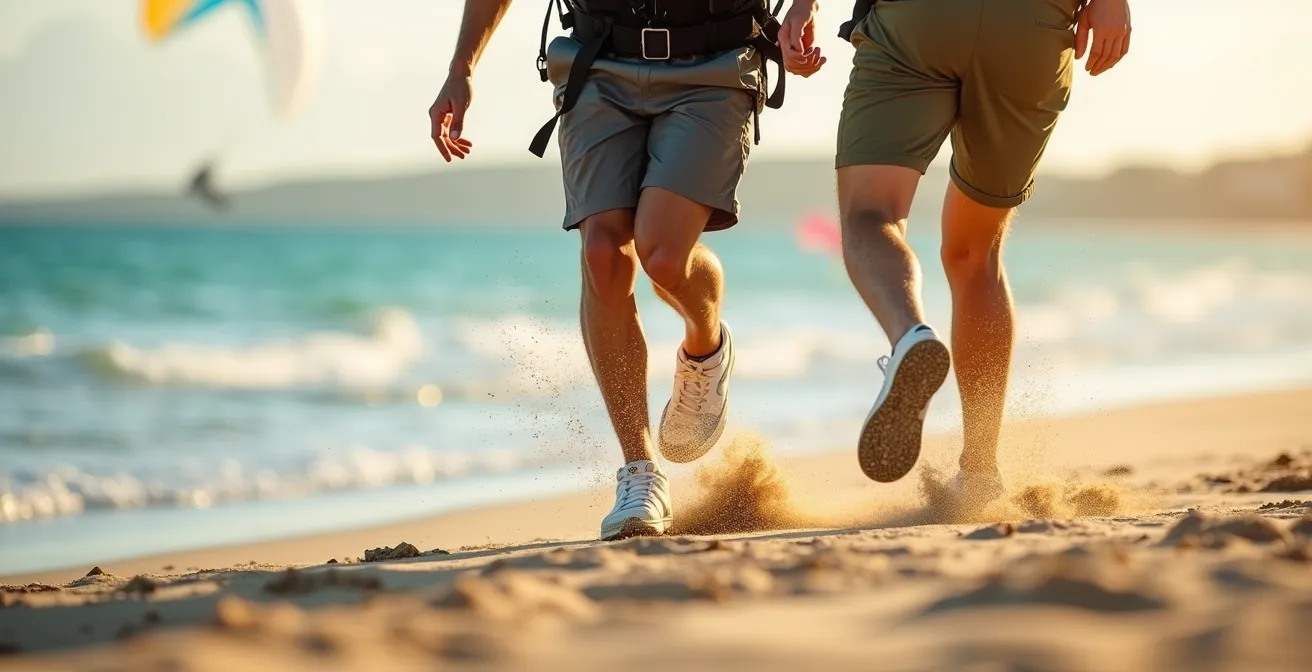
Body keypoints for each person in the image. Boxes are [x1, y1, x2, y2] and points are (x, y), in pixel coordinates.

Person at [430, 0, 823, 540]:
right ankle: (640, 473)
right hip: (599, 63)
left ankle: (706, 349)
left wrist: (803, 8)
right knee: (601, 256)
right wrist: (461, 69)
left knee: (662, 257)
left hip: (714, 63)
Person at [778, 0, 1132, 503]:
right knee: (975, 255)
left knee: (871, 216)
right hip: (1030, 27)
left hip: (917, 22)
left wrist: (803, 5)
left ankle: (909, 338)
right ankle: (982, 472)